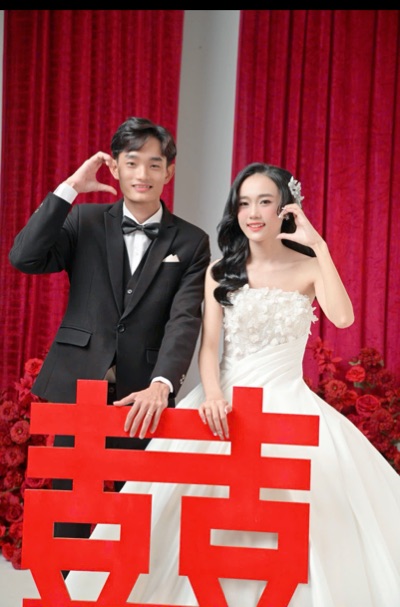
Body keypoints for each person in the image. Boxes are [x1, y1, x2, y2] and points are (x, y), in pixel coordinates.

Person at [59, 163, 400, 605]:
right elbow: (208, 347)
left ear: (286, 209)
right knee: (176, 511)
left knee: (305, 513)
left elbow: (344, 317)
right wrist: (214, 395)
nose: (253, 213)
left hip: (288, 402)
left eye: (265, 202)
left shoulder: (309, 267)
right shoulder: (221, 271)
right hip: (221, 403)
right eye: (244, 203)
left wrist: (319, 245)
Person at [9, 117, 211, 540]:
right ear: (114, 167)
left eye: (154, 164)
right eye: (132, 162)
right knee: (69, 505)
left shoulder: (191, 241)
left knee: (132, 509)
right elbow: (25, 257)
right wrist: (70, 189)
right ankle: (67, 582)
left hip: (142, 393)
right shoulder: (83, 221)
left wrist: (162, 384)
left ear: (169, 172)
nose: (142, 174)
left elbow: (184, 319)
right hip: (78, 383)